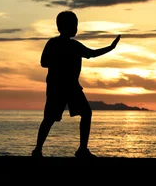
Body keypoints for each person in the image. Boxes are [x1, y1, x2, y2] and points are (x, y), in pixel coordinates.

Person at [31, 10, 121, 159]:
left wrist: (111, 48)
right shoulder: (55, 44)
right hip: (57, 87)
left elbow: (91, 54)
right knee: (49, 118)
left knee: (85, 113)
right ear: (63, 27)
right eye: (74, 25)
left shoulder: (73, 45)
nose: (76, 28)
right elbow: (44, 62)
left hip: (72, 87)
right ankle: (38, 150)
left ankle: (81, 150)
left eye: (76, 25)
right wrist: (61, 60)